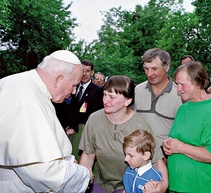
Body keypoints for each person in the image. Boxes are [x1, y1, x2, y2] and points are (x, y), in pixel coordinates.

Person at [0, 50, 90, 192]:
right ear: (58, 79)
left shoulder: (16, 83)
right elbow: (43, 172)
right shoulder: (26, 99)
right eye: (74, 85)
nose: (73, 92)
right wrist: (82, 174)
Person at [79, 75, 168, 193]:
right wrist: (84, 176)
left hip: (128, 186)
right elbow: (88, 154)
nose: (105, 101)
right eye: (104, 95)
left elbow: (157, 160)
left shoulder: (140, 126)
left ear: (128, 100)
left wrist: (163, 185)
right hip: (101, 184)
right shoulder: (94, 119)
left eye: (112, 97)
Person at [162, 61, 211, 193]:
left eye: (182, 84)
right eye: (177, 84)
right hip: (180, 185)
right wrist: (168, 145)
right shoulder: (183, 109)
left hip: (204, 186)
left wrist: (180, 147)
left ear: (198, 83)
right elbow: (177, 139)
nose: (178, 89)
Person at [135, 48, 182, 148]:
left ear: (167, 67)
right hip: (139, 153)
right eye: (146, 69)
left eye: (154, 69)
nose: (149, 74)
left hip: (167, 154)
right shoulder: (137, 90)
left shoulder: (180, 94)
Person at [65, 60, 104, 162]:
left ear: (92, 73)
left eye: (87, 71)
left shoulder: (97, 91)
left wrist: (75, 128)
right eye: (82, 71)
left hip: (84, 133)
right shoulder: (73, 86)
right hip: (68, 133)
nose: (84, 74)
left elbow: (95, 115)